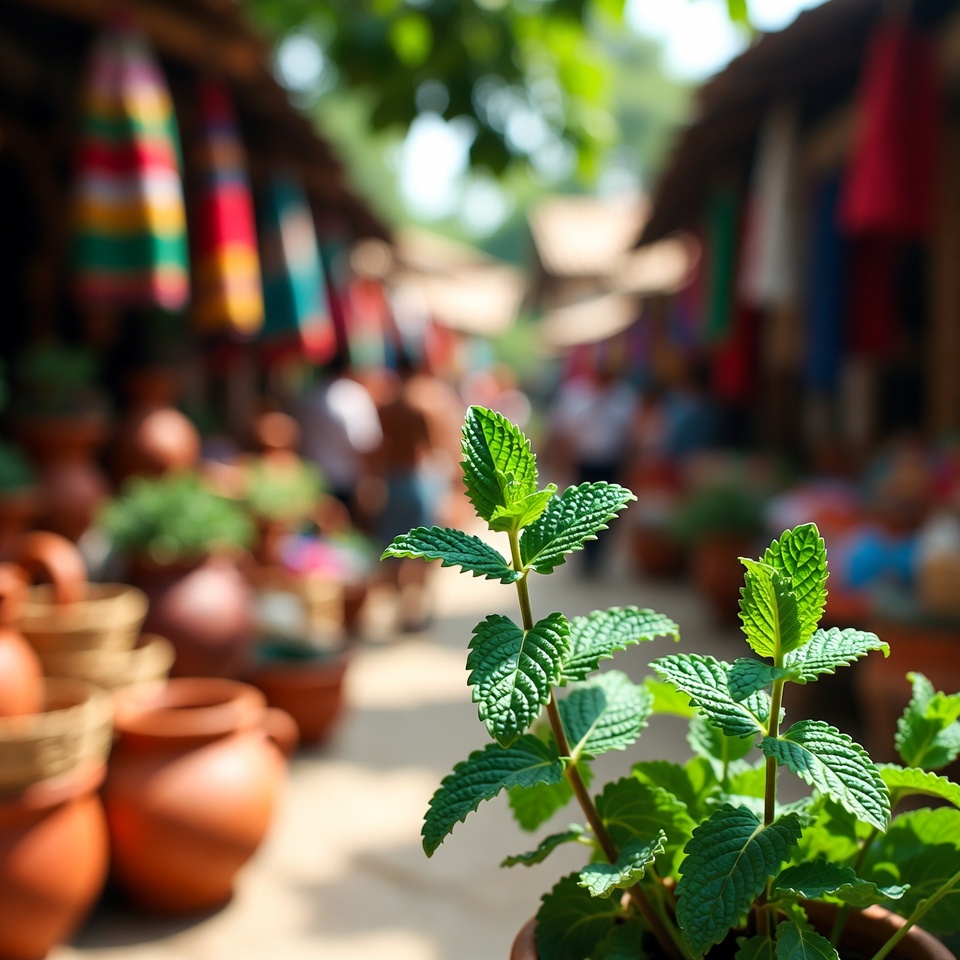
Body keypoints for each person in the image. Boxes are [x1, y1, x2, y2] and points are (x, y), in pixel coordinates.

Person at [545, 352, 638, 576]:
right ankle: (585, 556)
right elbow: (561, 432)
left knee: (609, 514)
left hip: (611, 463)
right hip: (583, 462)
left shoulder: (624, 397)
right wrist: (561, 462)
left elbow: (630, 435)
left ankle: (597, 558)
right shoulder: (574, 393)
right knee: (581, 512)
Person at [370, 352, 443, 631]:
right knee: (424, 546)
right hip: (417, 480)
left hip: (393, 480)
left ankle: (404, 605)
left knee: (396, 545)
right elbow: (432, 447)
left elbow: (380, 448)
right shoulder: (424, 406)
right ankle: (419, 604)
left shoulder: (386, 406)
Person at [295, 353, 383, 528]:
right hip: (346, 482)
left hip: (311, 480)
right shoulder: (352, 396)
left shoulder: (307, 395)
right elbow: (366, 443)